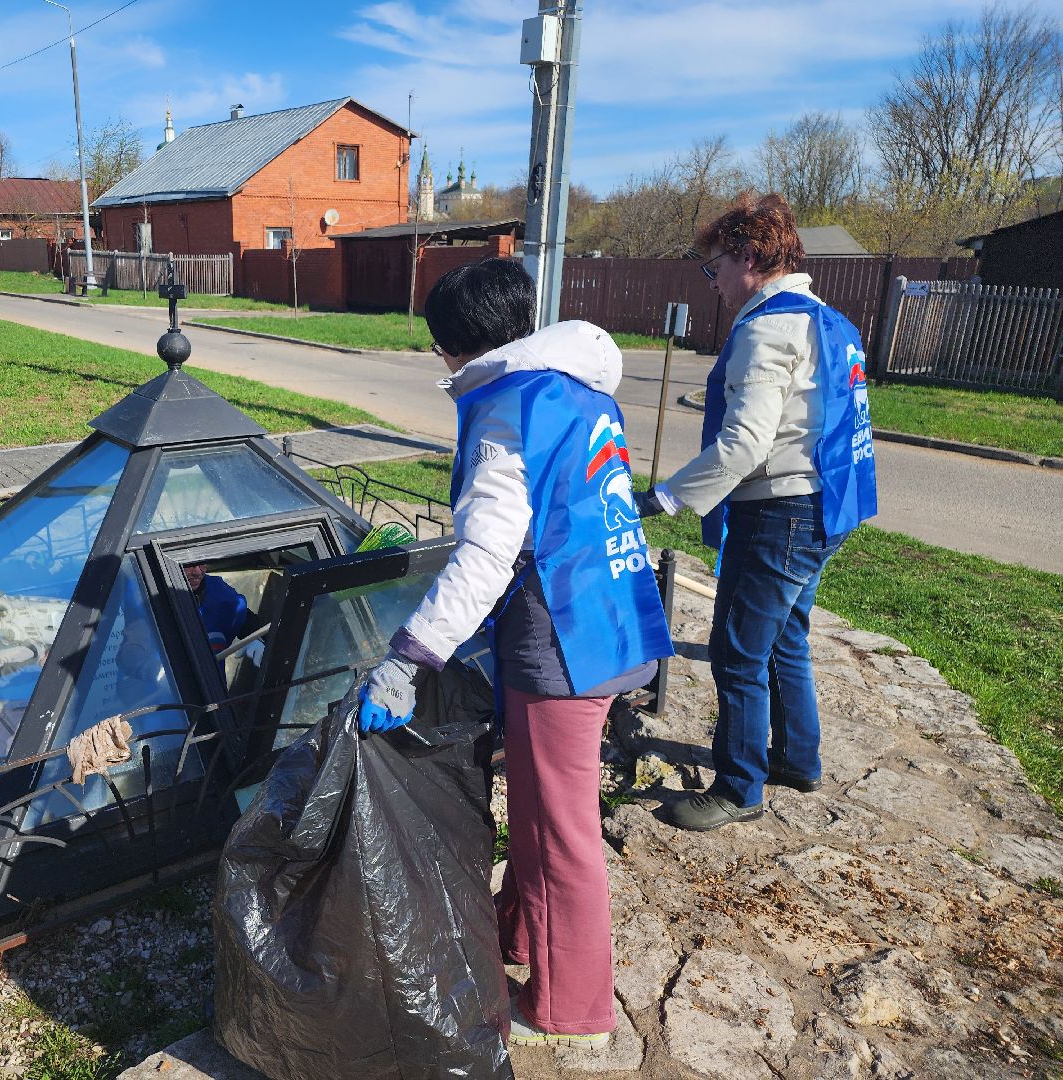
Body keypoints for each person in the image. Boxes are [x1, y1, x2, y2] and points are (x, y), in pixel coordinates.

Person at [358, 258, 674, 1050]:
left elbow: (486, 555)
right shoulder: (577, 386)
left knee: (561, 831)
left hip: (563, 640)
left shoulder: (505, 406)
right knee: (537, 812)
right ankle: (519, 942)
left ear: (449, 347)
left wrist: (410, 656)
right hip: (617, 618)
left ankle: (574, 1011)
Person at [635, 192, 878, 832]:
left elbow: (746, 442)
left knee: (738, 652)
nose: (712, 283)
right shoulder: (827, 320)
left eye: (714, 267)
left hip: (779, 514)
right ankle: (798, 760)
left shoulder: (766, 327)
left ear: (749, 257)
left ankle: (739, 786)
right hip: (827, 503)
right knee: (788, 637)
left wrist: (663, 496)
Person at [182, 563, 267, 671]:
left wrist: (258, 639)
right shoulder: (154, 603)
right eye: (190, 565)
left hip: (212, 684)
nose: (198, 572)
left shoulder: (219, 593)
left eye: (202, 563)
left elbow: (247, 622)